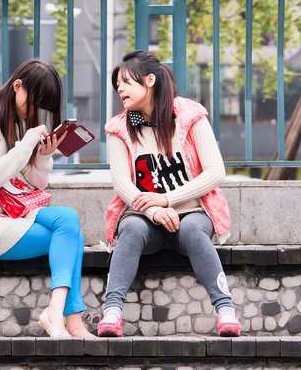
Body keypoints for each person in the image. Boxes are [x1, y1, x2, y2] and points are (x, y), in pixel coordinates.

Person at [98, 50, 241, 337]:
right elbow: (122, 184)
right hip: (143, 215)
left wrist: (167, 199)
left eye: (125, 82)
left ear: (149, 80)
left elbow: (215, 172)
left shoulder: (189, 116)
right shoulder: (120, 127)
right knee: (131, 229)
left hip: (192, 212)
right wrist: (153, 210)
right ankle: (112, 311)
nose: (119, 89)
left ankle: (225, 309)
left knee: (192, 231)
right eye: (117, 86)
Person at [0, 60, 92, 339]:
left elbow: (34, 185)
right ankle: (69, 319)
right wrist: (27, 144)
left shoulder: (17, 121)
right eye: (34, 104)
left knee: (69, 219)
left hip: (15, 211)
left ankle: (59, 313)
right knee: (72, 238)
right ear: (17, 86)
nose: (34, 112)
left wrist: (43, 155)